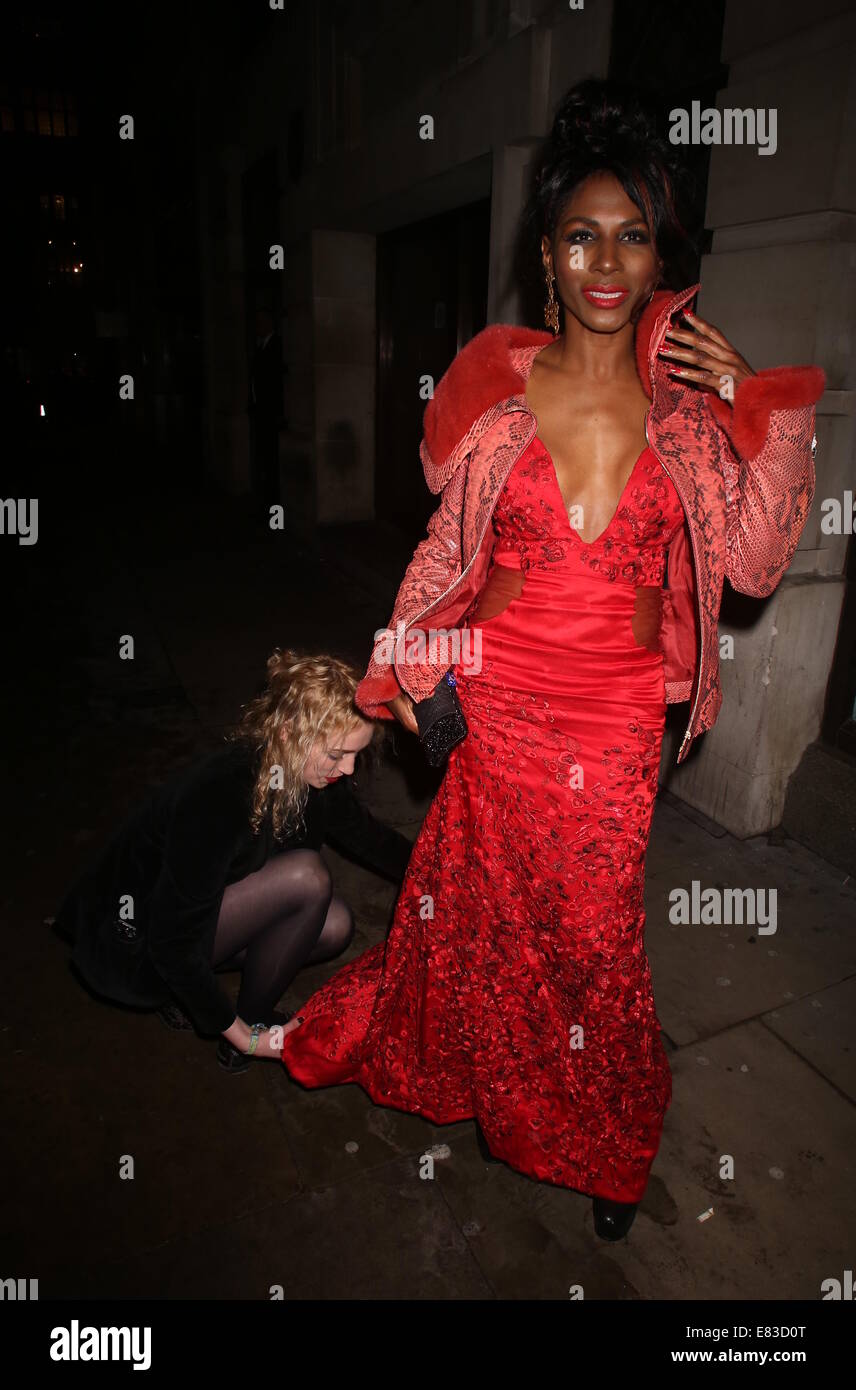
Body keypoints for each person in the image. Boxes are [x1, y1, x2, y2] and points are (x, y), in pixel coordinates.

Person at [276, 80, 824, 1240]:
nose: (608, 259)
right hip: (499, 696)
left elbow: (764, 559)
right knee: (480, 915)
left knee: (592, 940)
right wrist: (422, 678)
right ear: (548, 256)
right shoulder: (497, 401)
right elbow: (444, 551)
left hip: (619, 720)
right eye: (583, 234)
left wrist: (750, 398)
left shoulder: (684, 416)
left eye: (632, 234)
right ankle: (476, 1081)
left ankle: (608, 1141)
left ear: (656, 254)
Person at [56, 650, 412, 1073]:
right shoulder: (222, 793)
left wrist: (440, 872)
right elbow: (172, 943)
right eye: (337, 754)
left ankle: (247, 1014)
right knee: (307, 878)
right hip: (140, 941)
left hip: (195, 920)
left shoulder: (313, 772)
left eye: (355, 753)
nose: (349, 768)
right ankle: (236, 1030)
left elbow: (369, 838)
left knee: (335, 926)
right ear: (287, 732)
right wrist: (248, 1040)